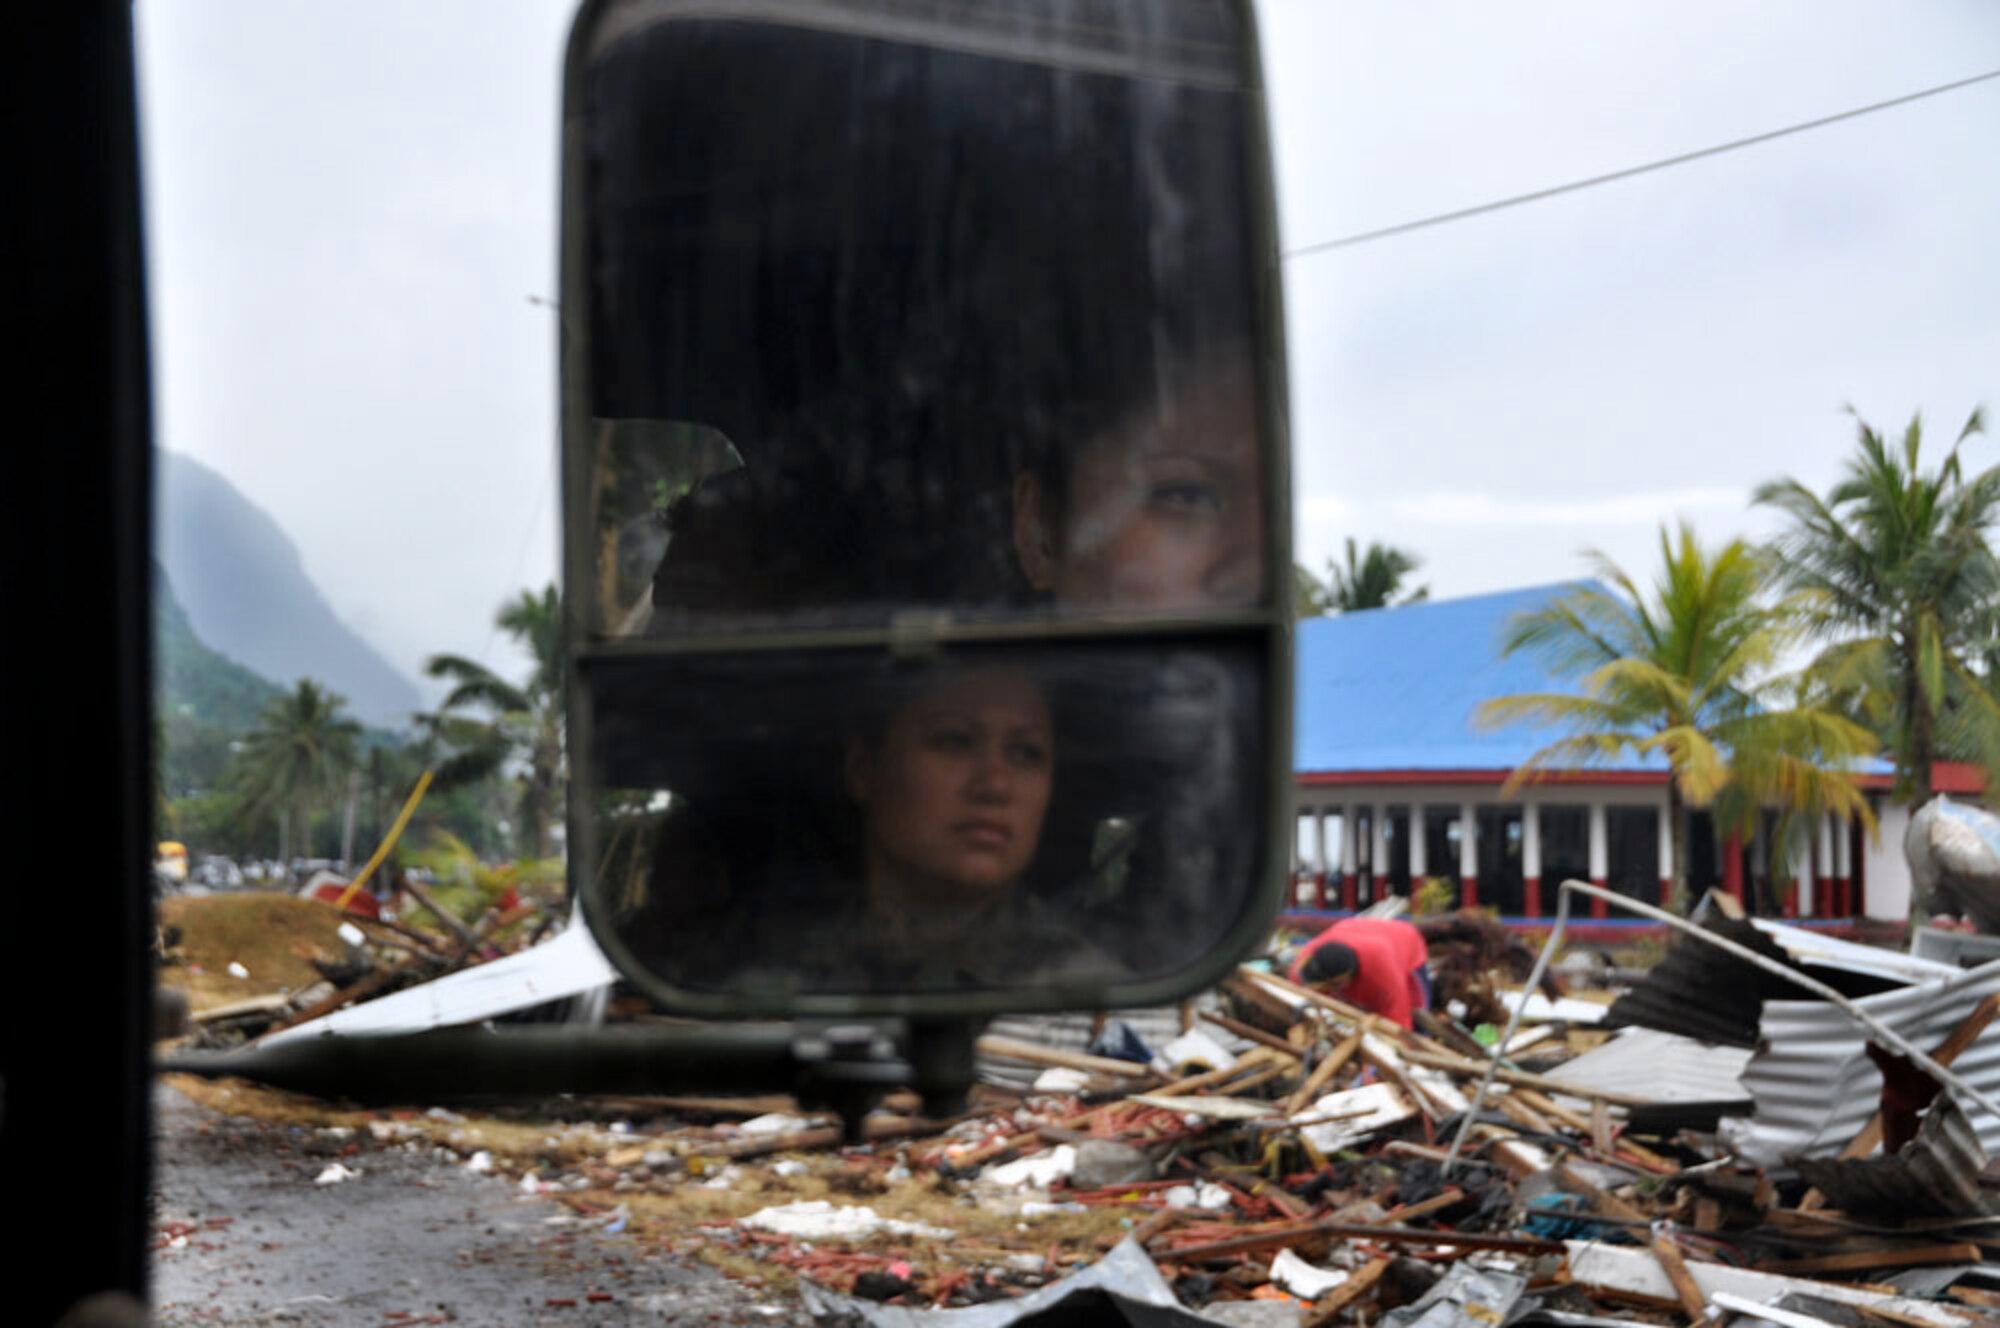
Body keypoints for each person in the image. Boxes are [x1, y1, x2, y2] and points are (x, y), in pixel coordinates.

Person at [1288, 916, 1431, 1031]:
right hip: (1356, 932)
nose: (1328, 990)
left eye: (1332, 987)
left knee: (1418, 1022)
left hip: (1404, 942)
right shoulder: (1303, 964)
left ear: (1345, 980)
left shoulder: (1383, 975)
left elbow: (1398, 1026)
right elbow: (1297, 1001)